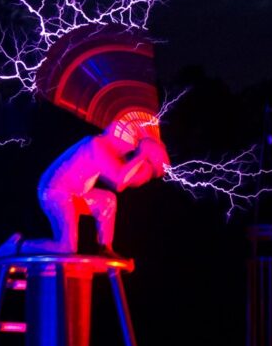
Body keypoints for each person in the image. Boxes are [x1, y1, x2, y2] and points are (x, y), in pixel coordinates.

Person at [22, 109, 169, 256]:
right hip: (55, 193)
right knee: (67, 248)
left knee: (108, 200)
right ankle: (18, 246)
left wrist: (151, 167)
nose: (131, 147)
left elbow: (130, 179)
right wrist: (143, 155)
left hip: (75, 195)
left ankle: (105, 248)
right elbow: (119, 181)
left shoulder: (108, 150)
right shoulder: (97, 146)